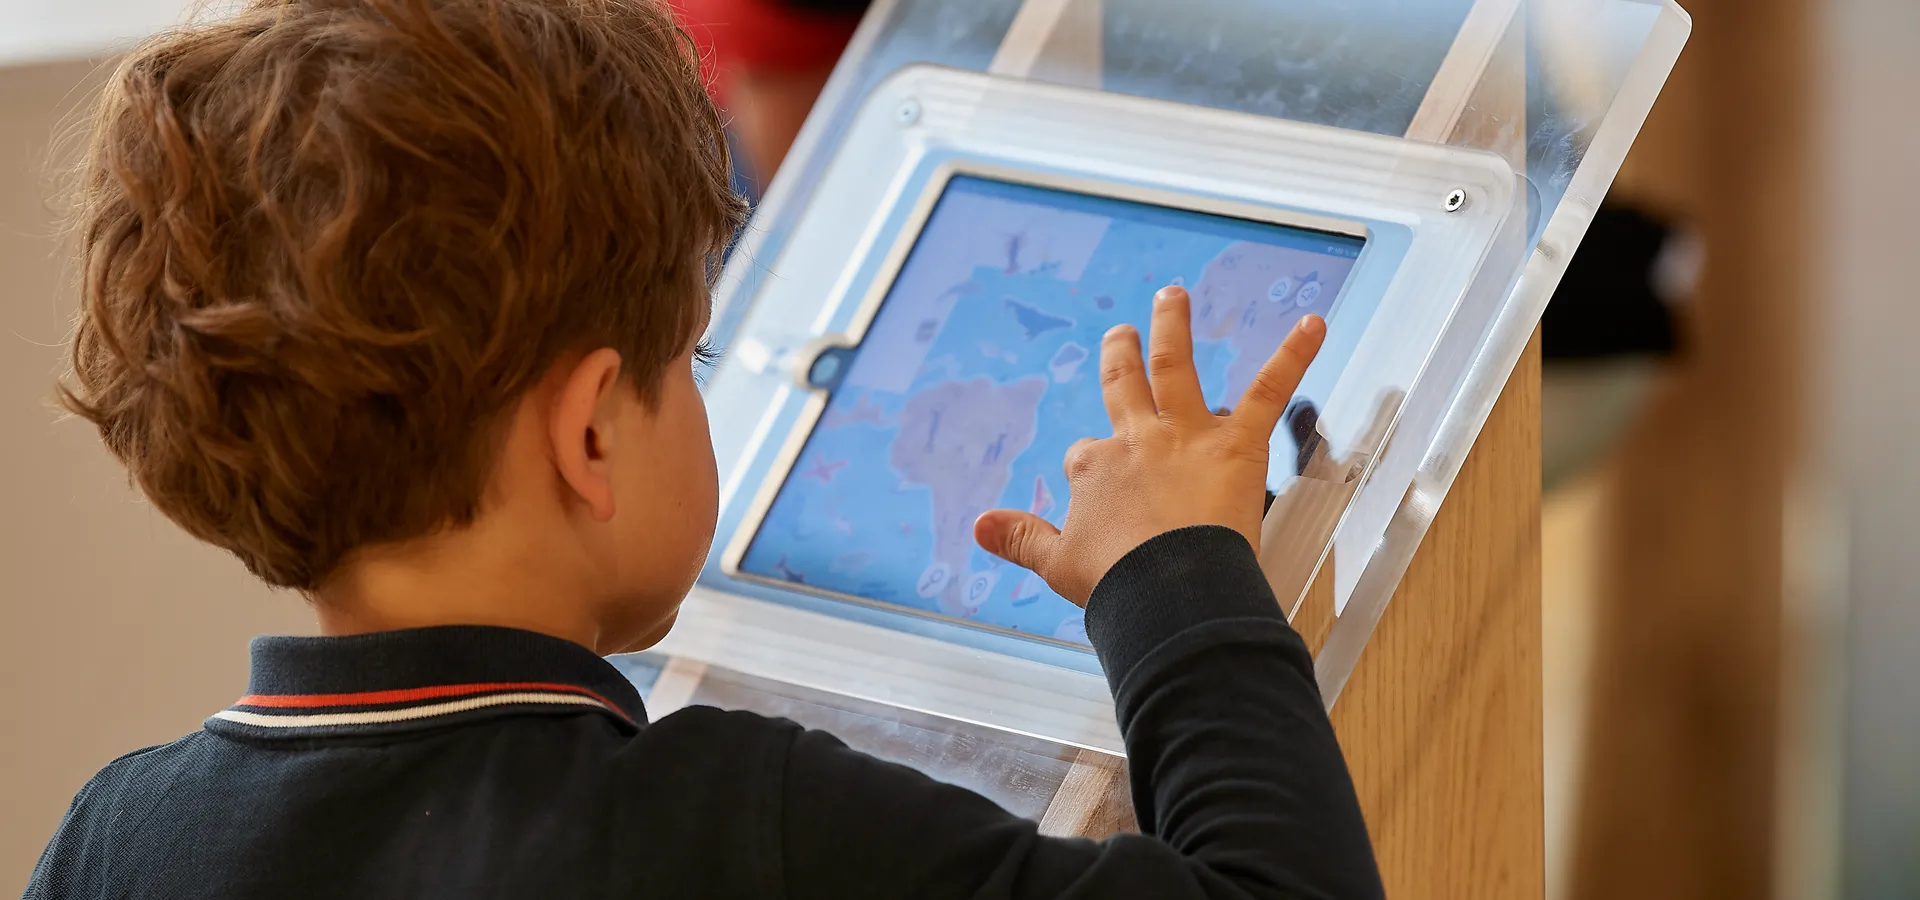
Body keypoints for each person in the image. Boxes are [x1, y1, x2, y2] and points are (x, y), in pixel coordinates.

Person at [26, 0, 1382, 897]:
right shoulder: (740, 830)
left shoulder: (111, 841)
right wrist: (1178, 575)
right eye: (694, 361)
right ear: (591, 433)